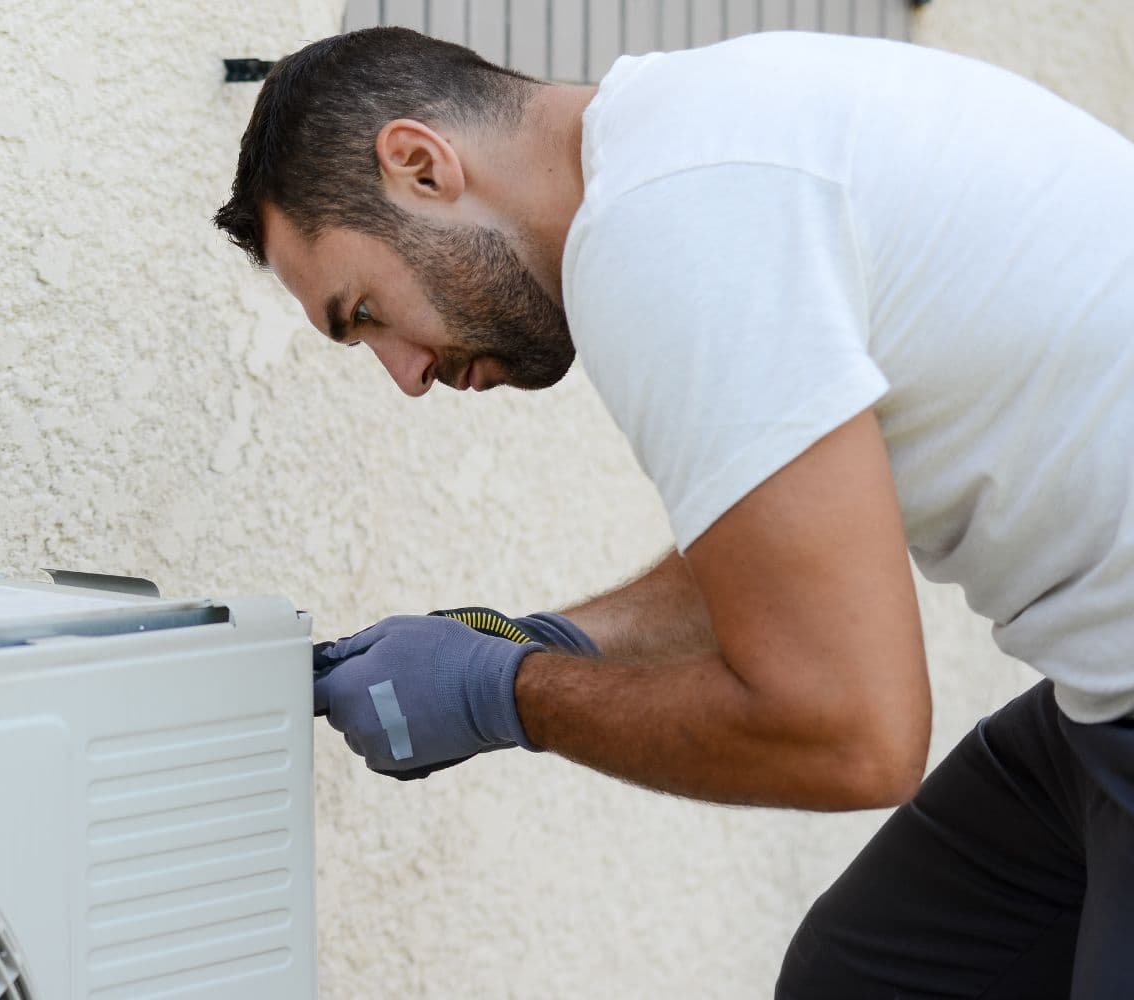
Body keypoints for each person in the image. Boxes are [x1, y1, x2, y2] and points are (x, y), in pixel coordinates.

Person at [218, 27, 1134, 996]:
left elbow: (852, 732)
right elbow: (786, 552)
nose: (401, 374)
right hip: (1101, 697)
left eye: (362, 311)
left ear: (419, 166)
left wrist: (507, 692)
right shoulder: (686, 148)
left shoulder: (661, 226)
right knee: (862, 976)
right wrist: (548, 638)